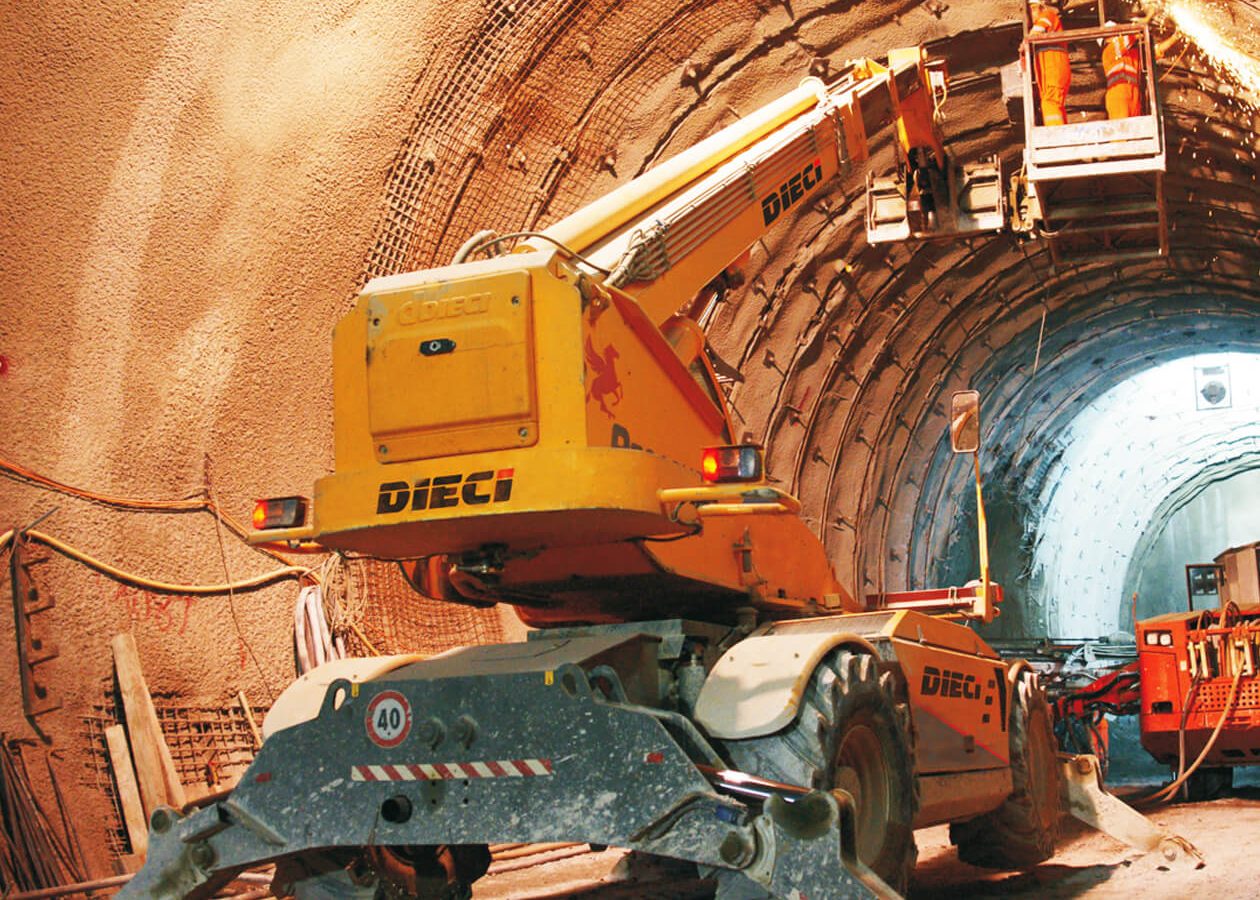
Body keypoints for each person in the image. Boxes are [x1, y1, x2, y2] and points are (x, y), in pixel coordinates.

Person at [1101, 22, 1182, 119]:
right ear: (1107, 38)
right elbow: (1131, 36)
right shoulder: (1109, 51)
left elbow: (1155, 51)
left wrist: (1175, 37)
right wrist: (1145, 22)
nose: (1121, 34)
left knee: (1136, 131)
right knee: (1123, 129)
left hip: (1134, 95)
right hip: (1118, 95)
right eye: (1117, 32)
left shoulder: (1131, 53)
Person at [1029, 0, 1071, 126]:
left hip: (1054, 70)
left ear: (1039, 7)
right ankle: (1061, 135)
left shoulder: (1047, 15)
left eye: (1032, 9)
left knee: (1050, 103)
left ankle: (1055, 136)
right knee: (1056, 104)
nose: (1031, 14)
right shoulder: (1048, 18)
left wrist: (1023, 45)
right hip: (1052, 72)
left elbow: (1035, 33)